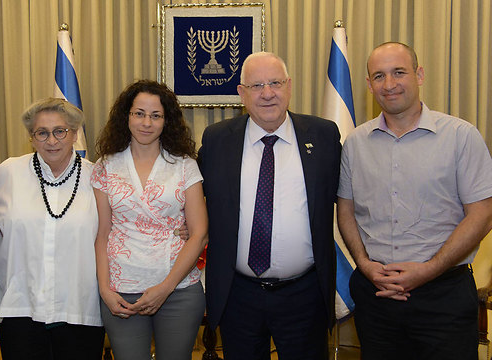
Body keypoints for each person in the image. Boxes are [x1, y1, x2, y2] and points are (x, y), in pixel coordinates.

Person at [337, 42, 492, 360]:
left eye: (399, 72)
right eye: (379, 76)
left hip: (444, 296)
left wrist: (430, 270)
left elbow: (483, 214)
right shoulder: (354, 144)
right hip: (376, 295)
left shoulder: (461, 137)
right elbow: (346, 211)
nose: (389, 84)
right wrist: (365, 265)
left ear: (419, 75)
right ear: (369, 84)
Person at [198, 52, 341, 360]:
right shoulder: (216, 140)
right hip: (239, 295)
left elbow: (350, 198)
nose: (267, 93)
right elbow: (193, 199)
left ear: (289, 86)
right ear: (241, 93)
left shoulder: (323, 135)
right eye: (256, 85)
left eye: (275, 83)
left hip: (305, 294)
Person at [92, 80, 208, 360]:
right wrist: (105, 290)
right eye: (139, 113)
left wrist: (164, 288)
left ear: (167, 121)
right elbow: (102, 234)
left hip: (178, 290)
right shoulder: (105, 165)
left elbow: (199, 233)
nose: (147, 122)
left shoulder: (184, 165)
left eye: (156, 115)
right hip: (121, 292)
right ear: (126, 116)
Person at [0, 98, 104, 359]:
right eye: (42, 133)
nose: (52, 140)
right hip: (20, 307)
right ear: (31, 138)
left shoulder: (97, 178)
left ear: (75, 134)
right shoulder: (8, 173)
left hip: (79, 308)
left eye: (60, 131)